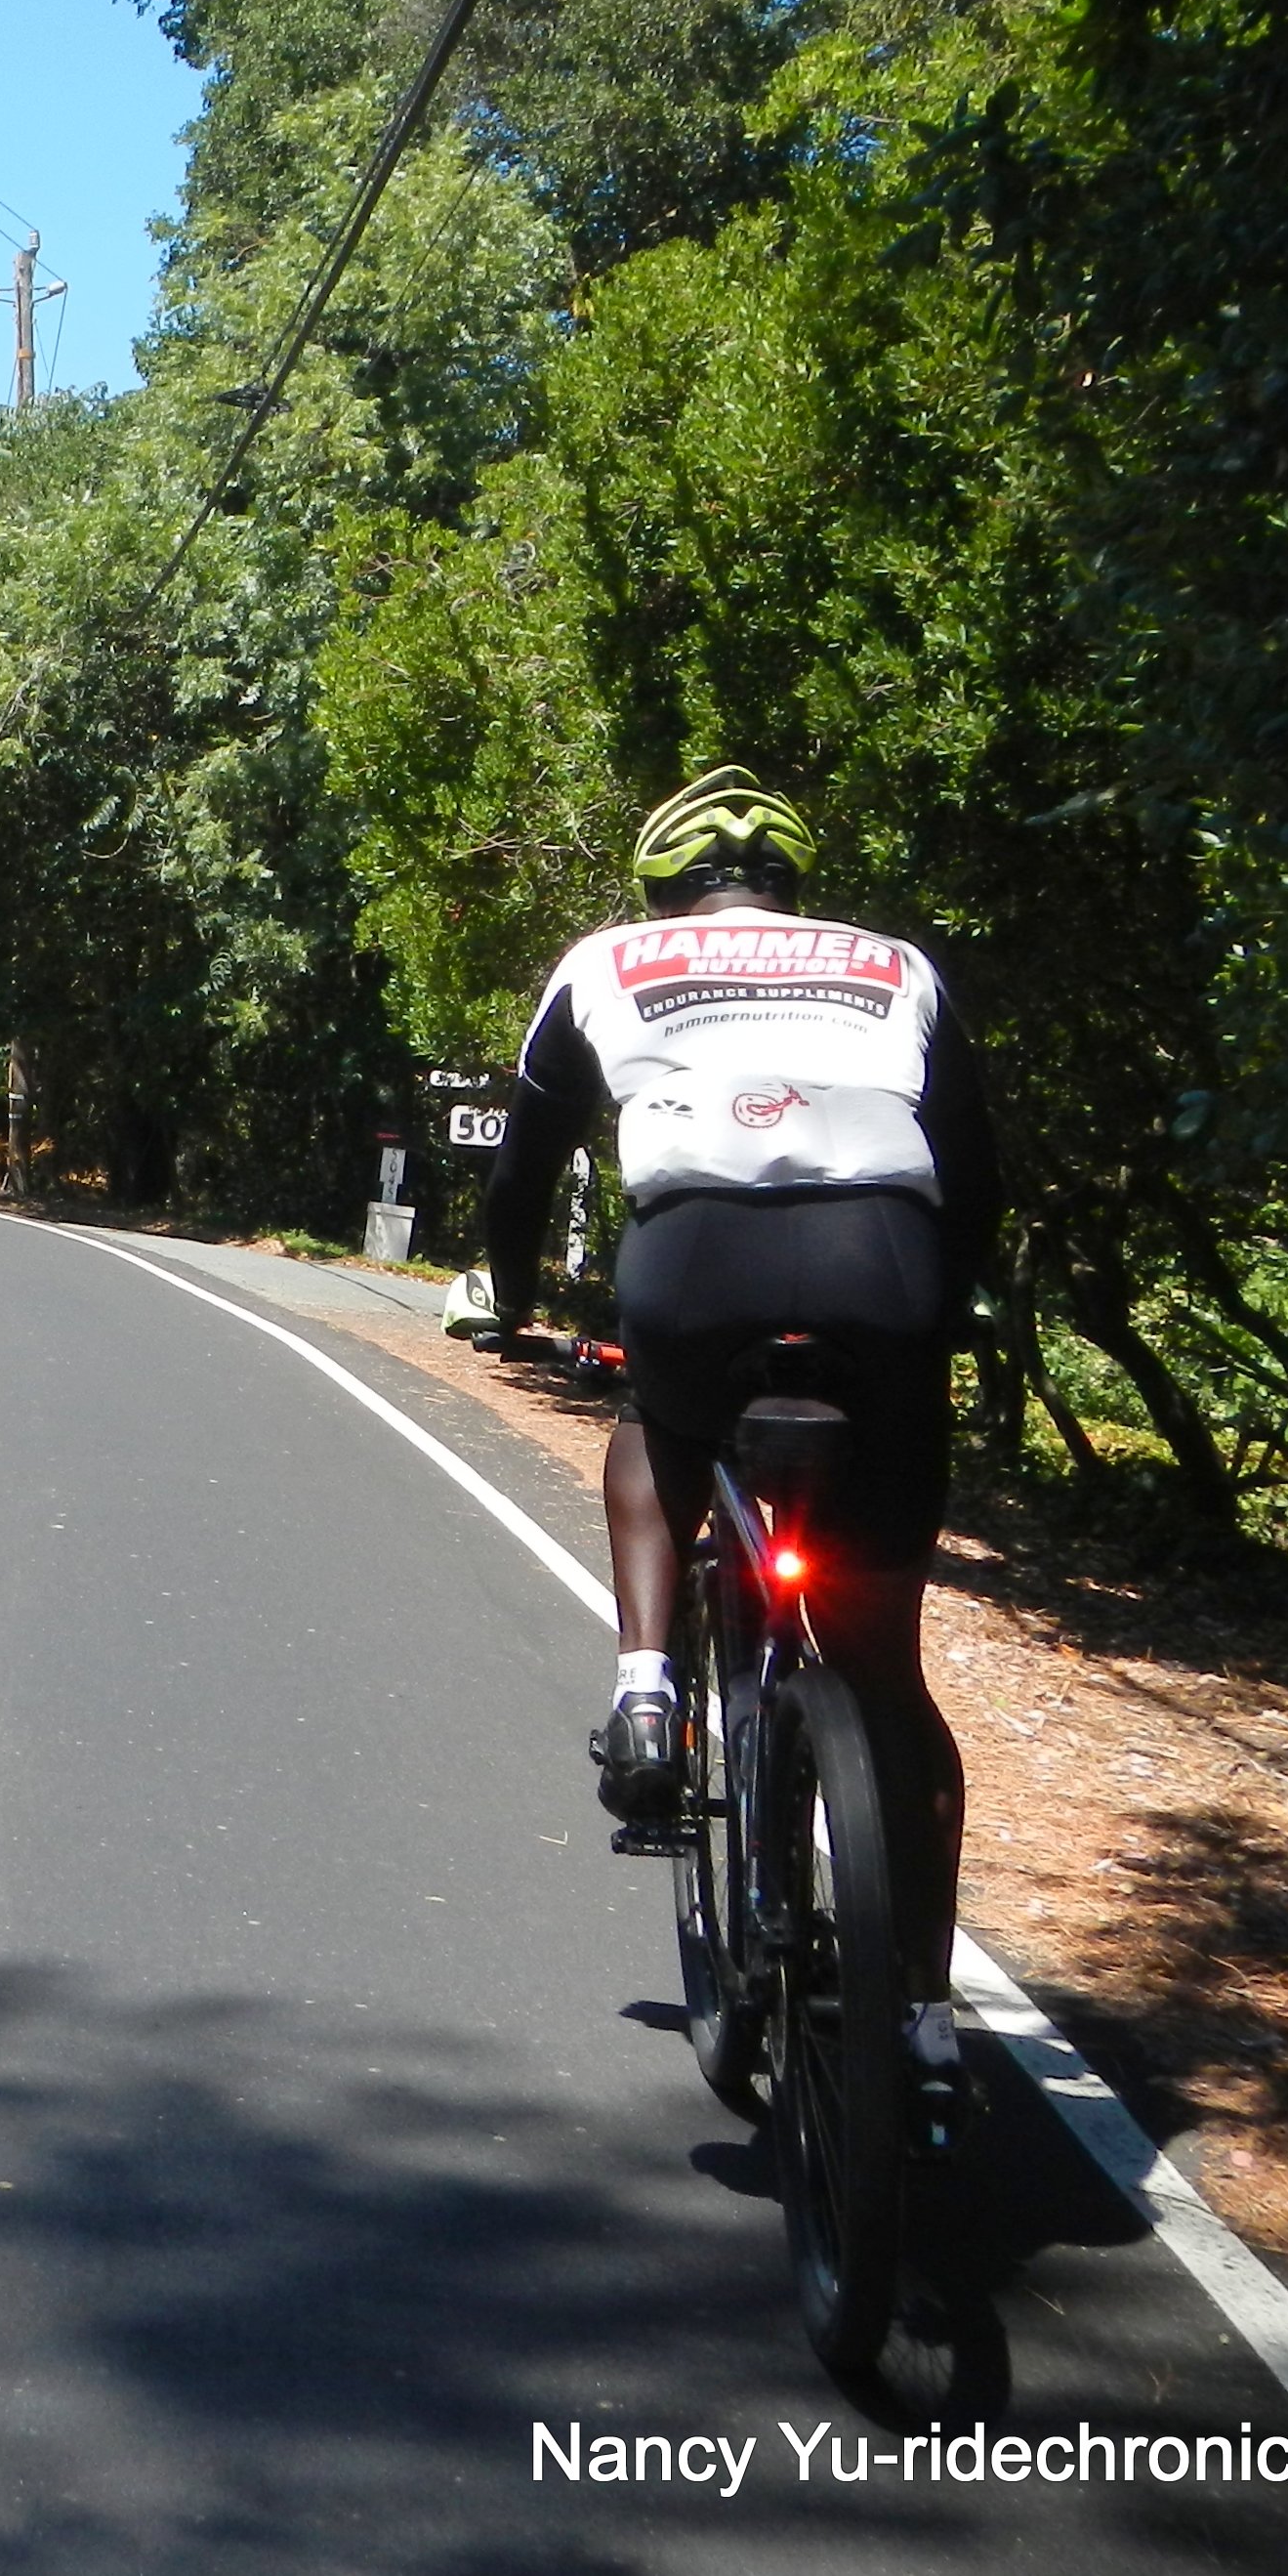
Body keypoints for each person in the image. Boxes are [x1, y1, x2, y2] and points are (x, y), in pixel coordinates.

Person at [458, 767, 1002, 2086]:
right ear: (794, 886)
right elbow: (975, 1162)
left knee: (659, 1416)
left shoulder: (609, 959)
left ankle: (648, 1688)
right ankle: (924, 2019)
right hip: (887, 1270)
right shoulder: (896, 965)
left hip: (697, 1271)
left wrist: (510, 1298)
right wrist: (953, 1312)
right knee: (886, 1671)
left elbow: (528, 1158)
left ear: (664, 886)